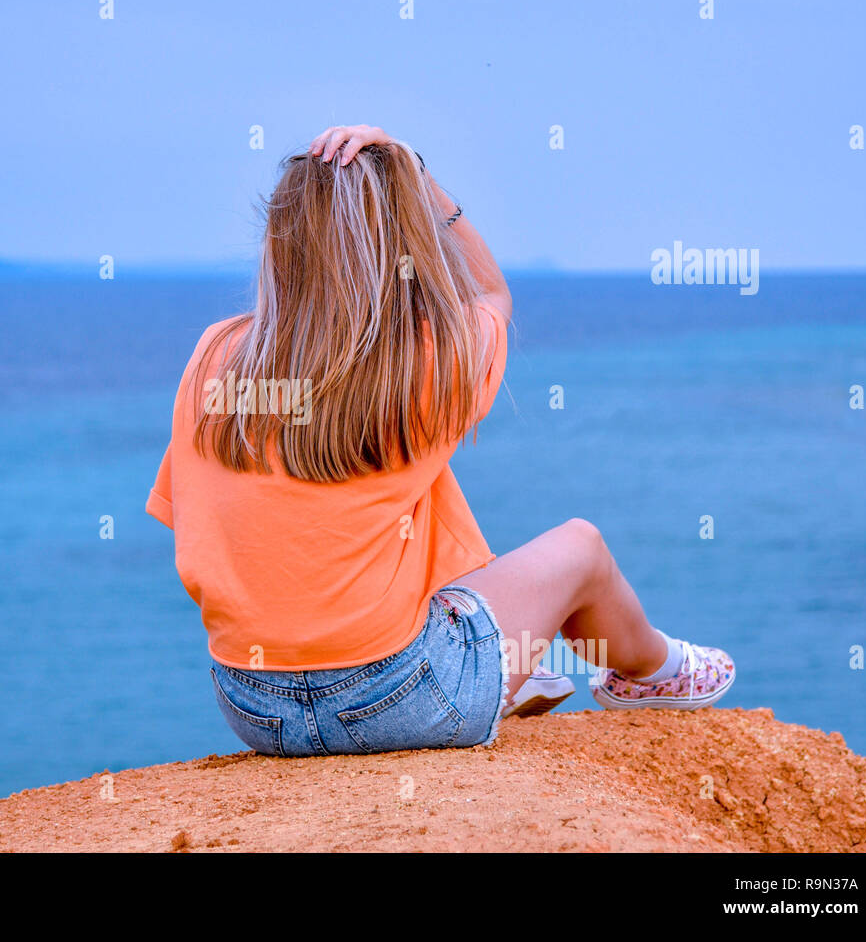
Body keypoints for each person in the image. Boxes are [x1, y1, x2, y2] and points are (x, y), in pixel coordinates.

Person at [146, 124, 734, 757]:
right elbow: (490, 293)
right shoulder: (424, 359)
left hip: (254, 705)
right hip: (400, 699)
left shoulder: (216, 355)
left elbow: (208, 522)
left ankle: (509, 661)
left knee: (412, 487)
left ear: (278, 243)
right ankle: (655, 671)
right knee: (582, 547)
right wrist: (419, 178)